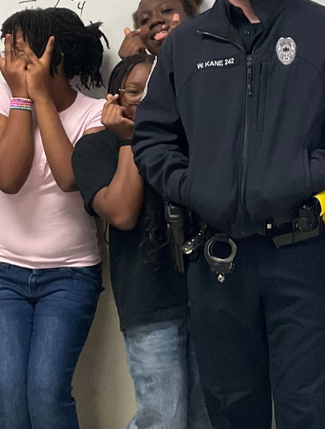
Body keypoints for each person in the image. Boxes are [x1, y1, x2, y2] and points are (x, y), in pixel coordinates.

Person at [132, 0, 325, 429]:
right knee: (230, 409)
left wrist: (303, 176)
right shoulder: (185, 44)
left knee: (311, 412)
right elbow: (152, 139)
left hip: (304, 255)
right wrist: (194, 185)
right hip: (217, 259)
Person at [0, 7, 107, 429]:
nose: (11, 61)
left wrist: (43, 99)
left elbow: (71, 177)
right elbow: (7, 177)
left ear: (57, 56)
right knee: (11, 401)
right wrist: (21, 98)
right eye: (9, 49)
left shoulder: (95, 113)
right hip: (2, 276)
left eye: (21, 51)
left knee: (47, 394)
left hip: (70, 276)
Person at [72, 52, 211, 429]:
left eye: (156, 90)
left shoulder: (196, 140)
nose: (147, 101)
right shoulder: (95, 148)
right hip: (149, 298)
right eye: (135, 92)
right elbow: (122, 212)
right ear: (114, 99)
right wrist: (129, 140)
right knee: (162, 418)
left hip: (210, 295)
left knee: (208, 418)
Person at [118, 0, 204, 58]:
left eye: (166, 11)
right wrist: (133, 64)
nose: (154, 20)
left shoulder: (212, 54)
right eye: (145, 20)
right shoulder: (143, 70)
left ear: (191, 15)